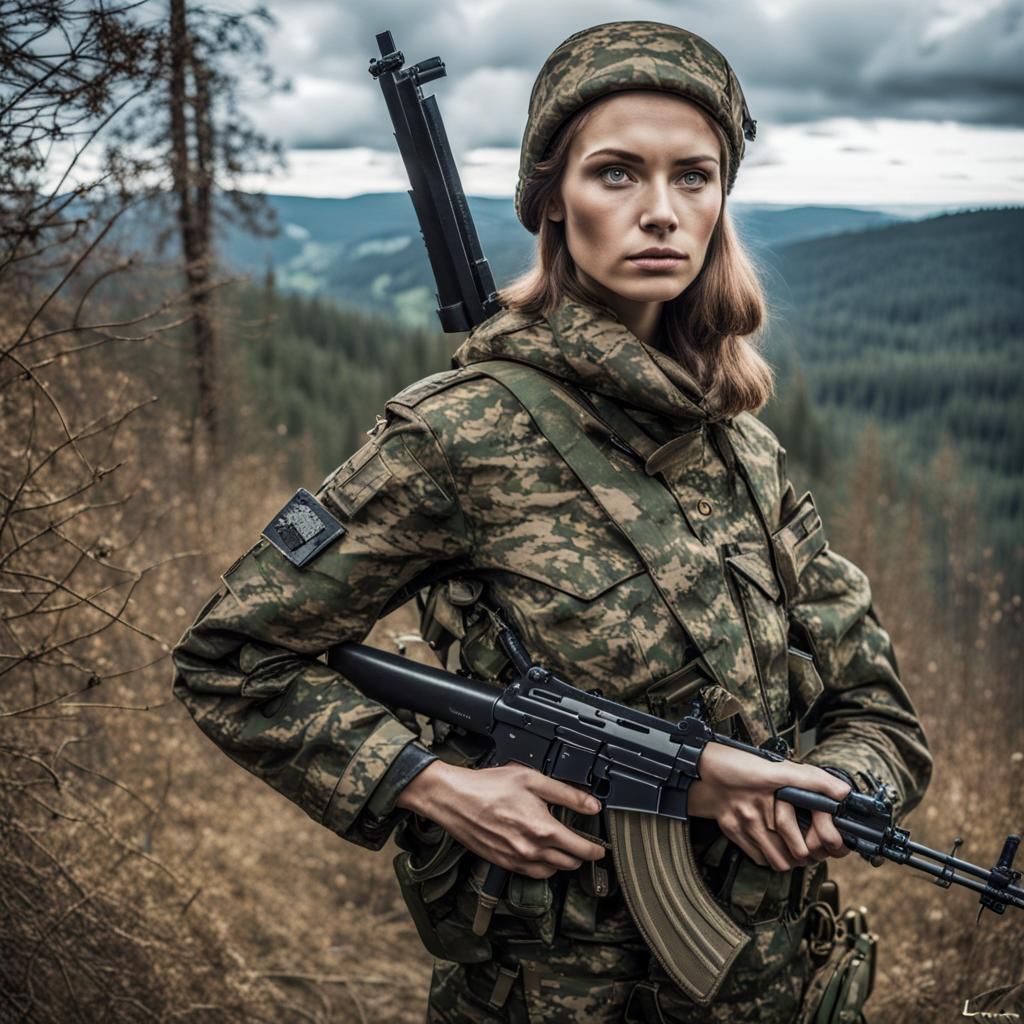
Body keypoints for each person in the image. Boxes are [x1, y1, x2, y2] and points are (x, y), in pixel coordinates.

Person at [170, 20, 933, 1024]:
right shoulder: (464, 434)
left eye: (693, 177)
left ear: (720, 203)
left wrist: (823, 786)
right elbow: (232, 659)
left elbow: (880, 716)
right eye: (616, 174)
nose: (660, 211)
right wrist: (432, 783)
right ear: (554, 204)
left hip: (781, 988)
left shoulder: (745, 454)